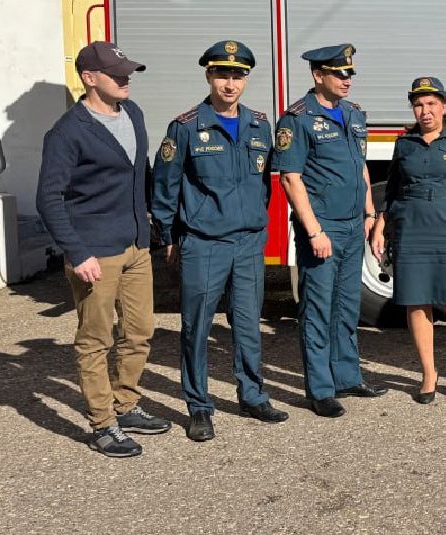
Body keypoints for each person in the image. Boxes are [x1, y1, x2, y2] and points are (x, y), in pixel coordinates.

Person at [36, 41, 168, 457]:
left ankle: (126, 404)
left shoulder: (133, 114)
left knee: (140, 331)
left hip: (135, 246)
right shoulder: (68, 132)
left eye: (127, 71)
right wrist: (76, 252)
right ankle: (102, 424)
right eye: (116, 73)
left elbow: (140, 173)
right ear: (89, 78)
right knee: (96, 340)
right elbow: (49, 198)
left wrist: (153, 223)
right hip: (95, 253)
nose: (125, 78)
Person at [151, 40, 287, 442]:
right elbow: (164, 188)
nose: (230, 83)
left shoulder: (261, 125)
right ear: (209, 76)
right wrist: (170, 238)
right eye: (223, 74)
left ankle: (252, 395)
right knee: (196, 327)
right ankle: (198, 406)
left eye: (238, 75)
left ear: (245, 79)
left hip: (247, 242)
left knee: (247, 324)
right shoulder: (186, 127)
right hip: (203, 243)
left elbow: (264, 186)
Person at [272, 44, 384, 418]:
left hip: (353, 226)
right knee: (318, 308)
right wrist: (314, 230)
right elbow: (291, 178)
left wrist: (370, 212)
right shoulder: (297, 119)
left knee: (347, 304)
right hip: (323, 228)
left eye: (350, 74)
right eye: (339, 74)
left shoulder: (353, 114)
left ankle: (347, 375)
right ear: (318, 75)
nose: (347, 80)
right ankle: (320, 388)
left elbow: (361, 166)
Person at [372, 77, 446, 404]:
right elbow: (393, 190)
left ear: (444, 106)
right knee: (417, 299)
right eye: (419, 105)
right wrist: (380, 227)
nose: (425, 111)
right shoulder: (404, 143)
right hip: (411, 226)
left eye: (432, 104)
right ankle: (428, 373)